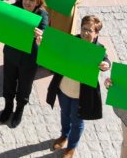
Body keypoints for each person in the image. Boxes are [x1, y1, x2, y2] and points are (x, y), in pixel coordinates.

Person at [46, 15, 110, 157]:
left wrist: (106, 65)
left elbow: (106, 60)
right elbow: (56, 52)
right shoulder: (72, 41)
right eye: (84, 29)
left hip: (81, 95)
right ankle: (64, 135)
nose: (85, 33)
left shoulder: (98, 50)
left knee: (77, 121)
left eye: (90, 30)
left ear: (96, 33)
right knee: (64, 113)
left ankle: (71, 147)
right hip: (64, 89)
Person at [0, 0, 49, 129]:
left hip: (29, 58)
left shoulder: (42, 15)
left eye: (32, 0)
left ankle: (19, 109)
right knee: (8, 81)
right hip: (11, 53)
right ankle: (8, 106)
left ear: (38, 2)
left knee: (24, 86)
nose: (27, 2)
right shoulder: (16, 8)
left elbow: (45, 33)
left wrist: (41, 36)